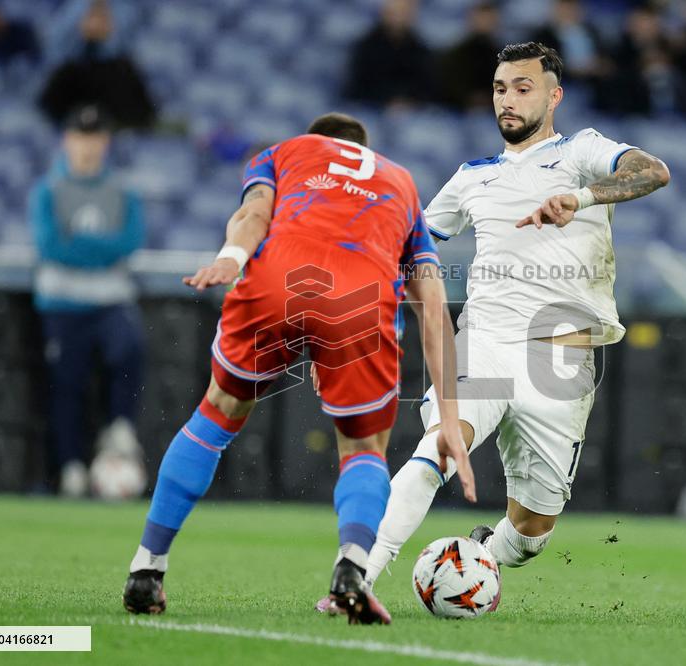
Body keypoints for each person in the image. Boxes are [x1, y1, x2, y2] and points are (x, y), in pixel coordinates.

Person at [320, 42, 670, 607]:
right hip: (486, 341)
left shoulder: (582, 152)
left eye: (523, 88)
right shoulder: (470, 177)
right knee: (441, 444)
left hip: (561, 357)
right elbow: (408, 246)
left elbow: (651, 171)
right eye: (500, 88)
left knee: (532, 533)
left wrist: (577, 200)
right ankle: (355, 575)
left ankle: (485, 551)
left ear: (554, 96)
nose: (508, 100)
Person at [121, 112, 475, 626]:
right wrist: (448, 418)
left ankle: (147, 567)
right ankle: (352, 565)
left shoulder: (285, 152)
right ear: (365, 151)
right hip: (360, 296)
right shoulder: (400, 183)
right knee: (362, 449)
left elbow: (255, 215)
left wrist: (231, 257)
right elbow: (432, 304)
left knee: (216, 414)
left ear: (317, 142)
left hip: (279, 275)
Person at [29, 104, 146, 498]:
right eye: (81, 137)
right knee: (67, 383)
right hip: (62, 302)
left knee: (129, 347)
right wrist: (100, 251)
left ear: (105, 142)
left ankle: (119, 427)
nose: (89, 146)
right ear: (68, 140)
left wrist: (77, 244)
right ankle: (70, 465)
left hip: (110, 299)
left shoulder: (123, 191)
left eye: (96, 138)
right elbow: (48, 245)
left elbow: (129, 242)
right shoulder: (47, 189)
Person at [38, 0, 155, 130]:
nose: (96, 25)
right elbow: (49, 114)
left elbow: (140, 118)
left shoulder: (125, 71)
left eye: (103, 19)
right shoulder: (66, 71)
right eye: (90, 18)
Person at [343, 0, 435, 108]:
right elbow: (358, 87)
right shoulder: (366, 47)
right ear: (384, 13)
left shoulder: (421, 49)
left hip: (411, 111)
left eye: (404, 12)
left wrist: (408, 102)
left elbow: (427, 87)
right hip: (371, 108)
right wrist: (387, 101)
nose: (399, 18)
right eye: (394, 12)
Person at [437, 1, 502, 111]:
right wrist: (468, 99)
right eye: (481, 18)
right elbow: (448, 84)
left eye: (489, 19)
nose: (485, 23)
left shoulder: (503, 55)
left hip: (493, 111)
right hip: (459, 111)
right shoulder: (456, 54)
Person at [530, 0, 604, 84]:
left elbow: (603, 55)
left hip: (593, 82)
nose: (569, 13)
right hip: (562, 83)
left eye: (573, 9)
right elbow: (542, 63)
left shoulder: (591, 31)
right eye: (565, 9)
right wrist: (570, 70)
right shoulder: (544, 35)